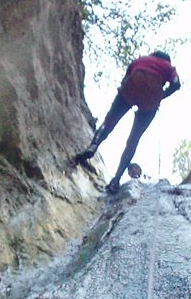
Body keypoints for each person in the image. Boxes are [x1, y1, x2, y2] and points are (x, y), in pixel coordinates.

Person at [75, 51, 181, 194]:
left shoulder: (141, 59)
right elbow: (176, 84)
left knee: (110, 121)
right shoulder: (168, 66)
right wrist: (160, 96)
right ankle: (116, 180)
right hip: (151, 97)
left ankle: (93, 146)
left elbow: (127, 77)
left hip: (132, 85)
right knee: (133, 139)